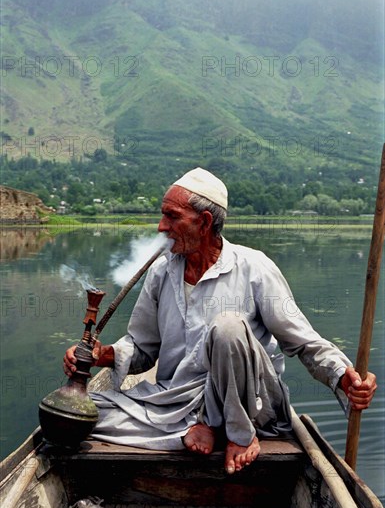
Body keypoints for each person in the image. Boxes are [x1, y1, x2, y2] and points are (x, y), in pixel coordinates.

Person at [64, 168, 377, 474]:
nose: (161, 226)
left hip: (250, 404)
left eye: (172, 217)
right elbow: (142, 348)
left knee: (227, 326)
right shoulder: (161, 271)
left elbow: (304, 343)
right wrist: (100, 355)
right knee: (80, 414)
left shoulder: (255, 268)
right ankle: (201, 427)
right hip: (178, 401)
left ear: (204, 222)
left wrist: (341, 375)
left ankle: (238, 435)